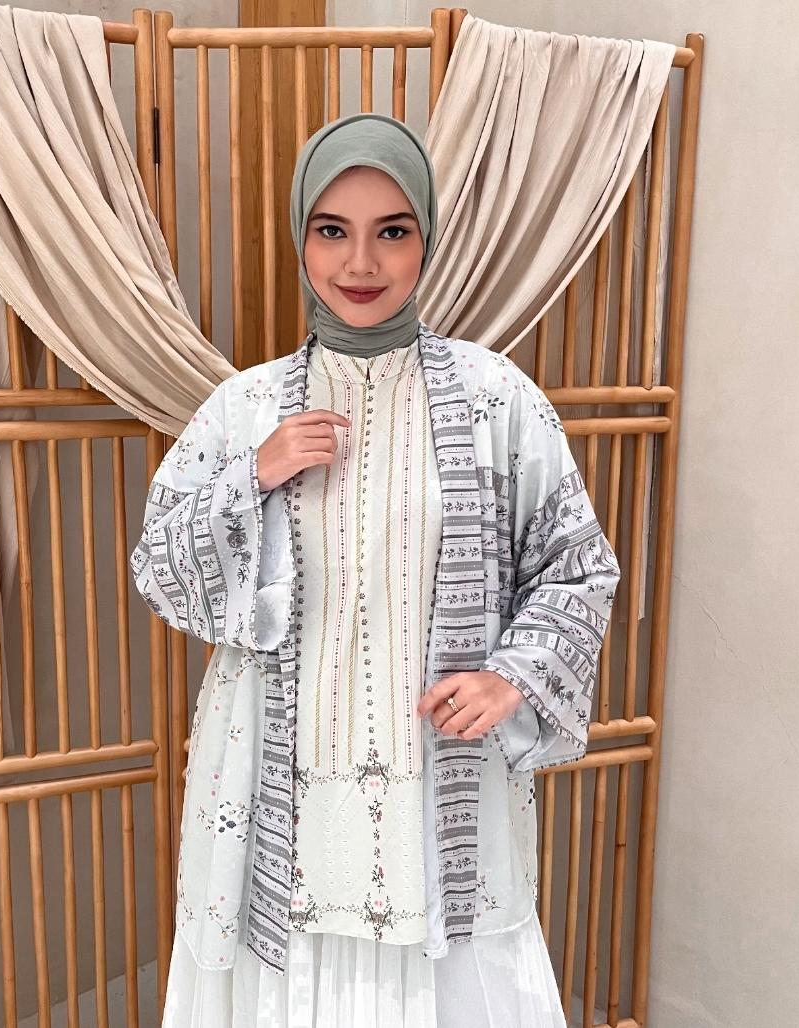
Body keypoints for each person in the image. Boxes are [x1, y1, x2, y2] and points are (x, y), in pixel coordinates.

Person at [131, 112, 620, 1027]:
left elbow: (578, 564)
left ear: (425, 239)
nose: (361, 262)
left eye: (391, 231)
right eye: (333, 230)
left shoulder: (496, 398)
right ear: (301, 240)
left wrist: (511, 676)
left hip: (440, 774)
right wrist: (253, 476)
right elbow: (159, 567)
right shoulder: (244, 409)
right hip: (272, 773)